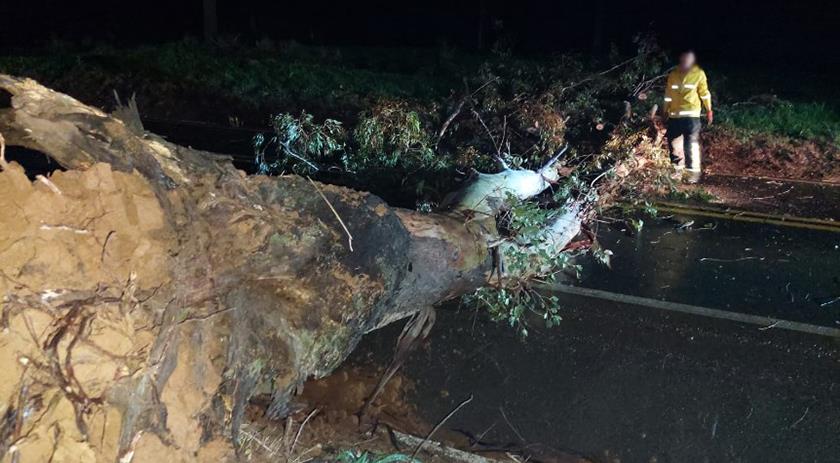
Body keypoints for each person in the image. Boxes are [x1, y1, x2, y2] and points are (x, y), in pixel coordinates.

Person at [663, 50, 713, 183]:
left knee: (690, 145)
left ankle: (692, 174)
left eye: (688, 59)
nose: (685, 62)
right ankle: (676, 171)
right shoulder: (673, 75)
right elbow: (668, 95)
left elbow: (704, 93)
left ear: (692, 61)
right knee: (674, 144)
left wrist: (709, 110)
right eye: (684, 59)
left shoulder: (698, 74)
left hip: (691, 116)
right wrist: (665, 110)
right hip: (674, 116)